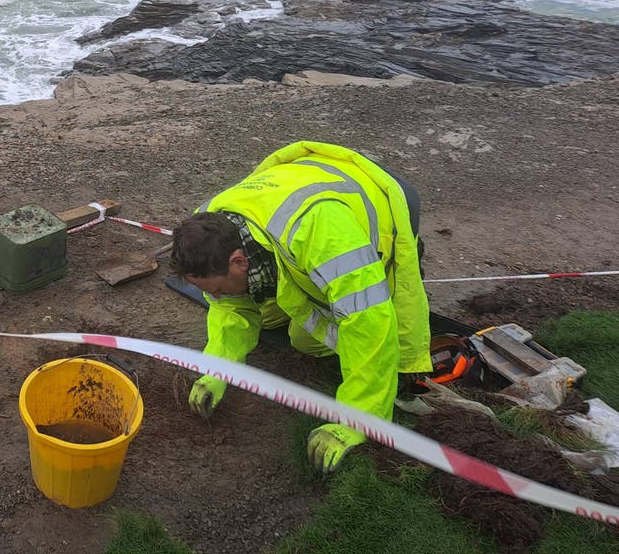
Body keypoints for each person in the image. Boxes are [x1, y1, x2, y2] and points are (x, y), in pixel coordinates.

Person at [169, 141, 432, 473]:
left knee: (306, 337)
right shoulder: (210, 225)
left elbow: (368, 323)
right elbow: (230, 309)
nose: (215, 298)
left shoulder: (321, 233)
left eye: (217, 289)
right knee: (276, 315)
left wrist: (355, 421)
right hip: (307, 191)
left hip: (377, 207)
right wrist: (217, 372)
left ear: (238, 262)